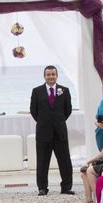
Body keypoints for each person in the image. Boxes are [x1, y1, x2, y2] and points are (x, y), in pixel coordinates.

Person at [29, 65, 74, 196]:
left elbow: (68, 110)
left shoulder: (64, 90)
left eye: (53, 74)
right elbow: (33, 111)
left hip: (60, 131)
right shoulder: (37, 91)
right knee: (42, 161)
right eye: (48, 74)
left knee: (65, 160)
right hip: (43, 131)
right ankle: (42, 188)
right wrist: (45, 121)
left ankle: (66, 187)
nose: (51, 77)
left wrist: (58, 121)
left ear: (57, 75)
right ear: (44, 76)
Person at [79, 108, 103, 203]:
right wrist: (89, 161)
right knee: (83, 173)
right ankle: (89, 200)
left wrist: (90, 162)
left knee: (89, 170)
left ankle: (99, 202)